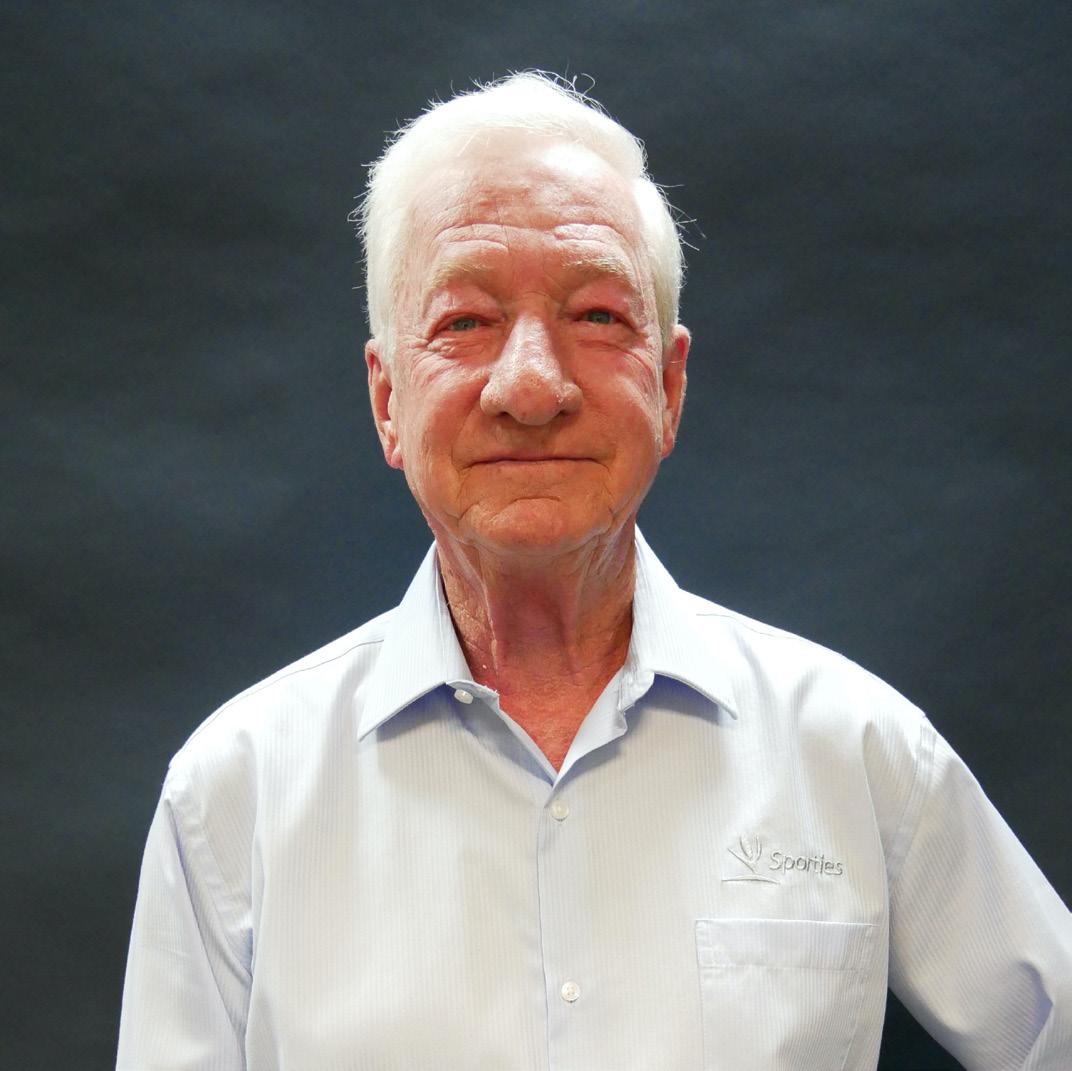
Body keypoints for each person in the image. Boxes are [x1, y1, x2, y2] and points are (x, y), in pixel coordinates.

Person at [117, 73, 1072, 1071]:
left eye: (598, 316)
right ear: (388, 399)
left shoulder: (855, 752)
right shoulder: (234, 794)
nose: (532, 386)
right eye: (465, 322)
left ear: (669, 386)